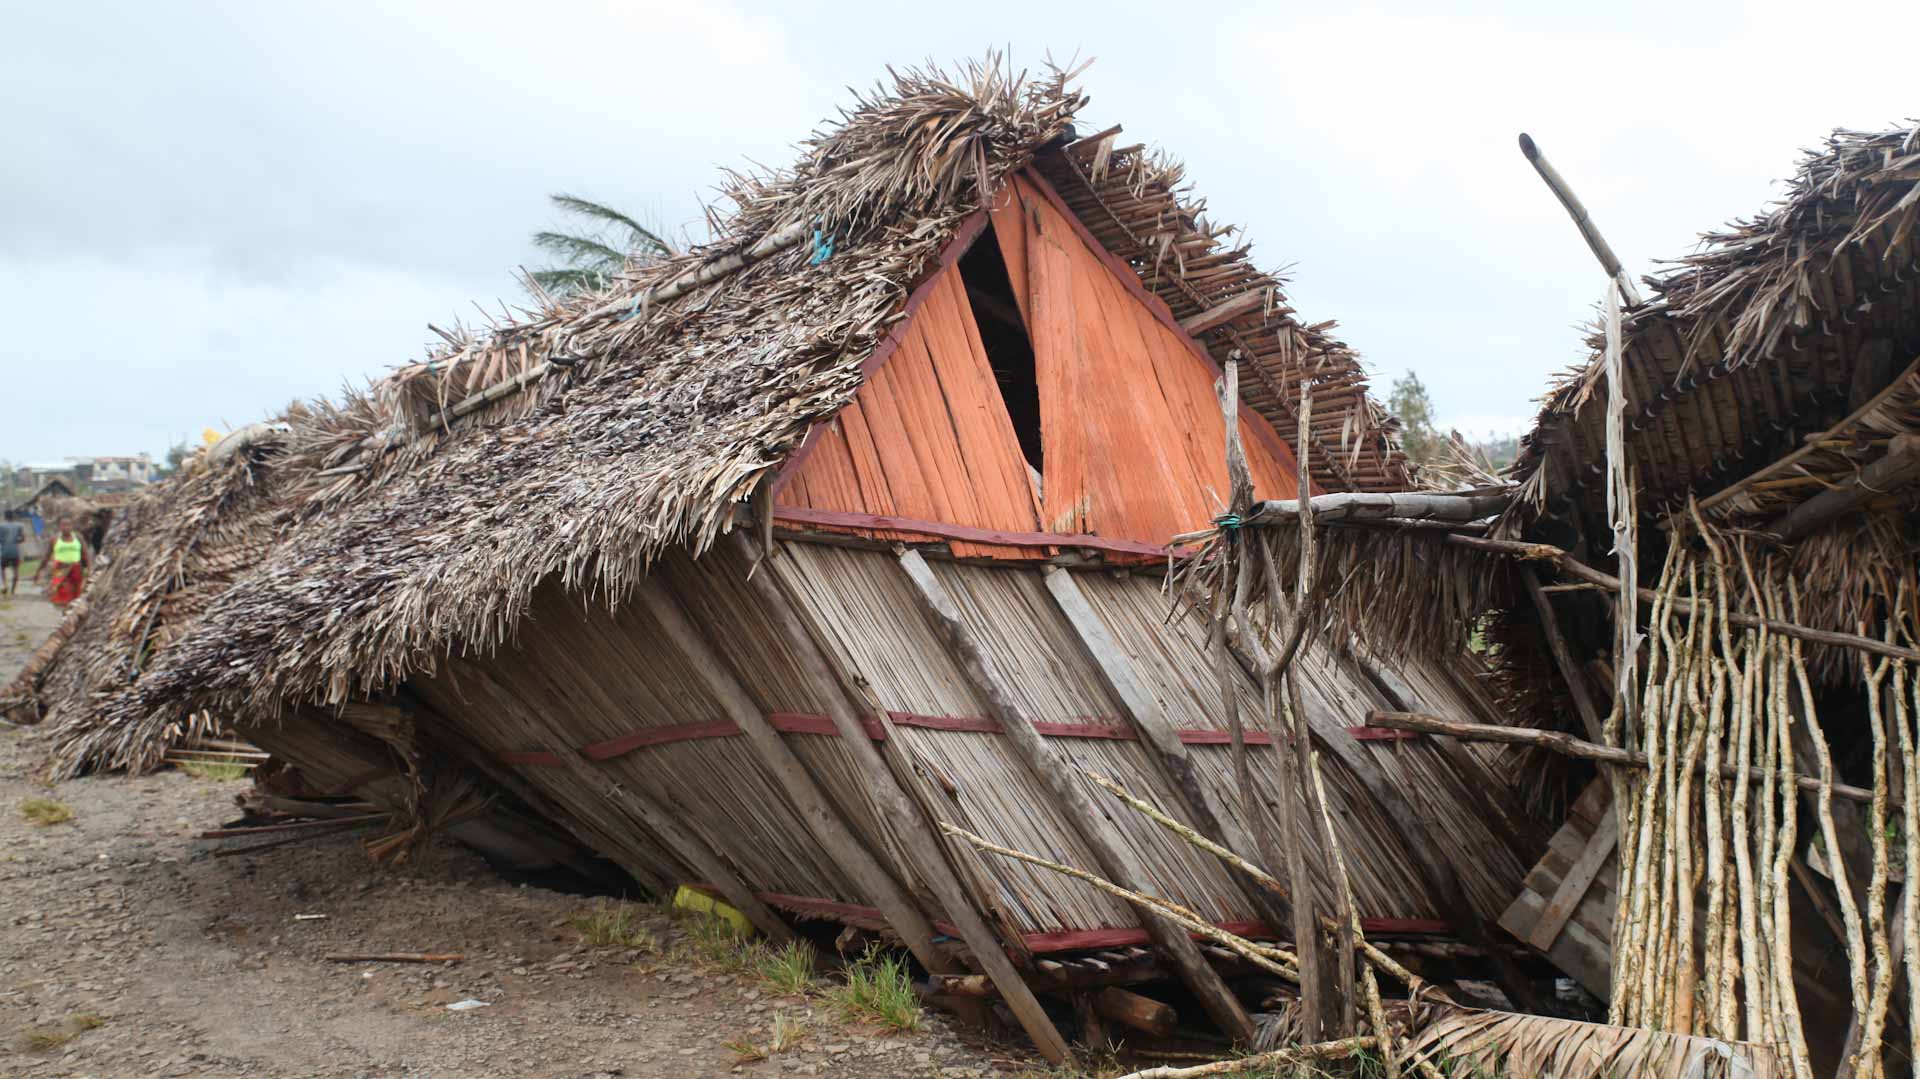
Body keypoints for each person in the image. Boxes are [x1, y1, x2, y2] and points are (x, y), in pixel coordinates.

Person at [34, 515, 89, 608]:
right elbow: (46, 556)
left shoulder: (78, 538)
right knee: (62, 595)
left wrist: (88, 569)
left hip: (76, 570)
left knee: (76, 596)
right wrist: (38, 571)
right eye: (63, 525)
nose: (66, 527)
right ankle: (63, 615)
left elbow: (84, 554)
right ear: (59, 526)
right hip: (60, 570)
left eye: (68, 525)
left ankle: (70, 617)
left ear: (72, 526)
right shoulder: (54, 539)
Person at [0, 512, 23, 595]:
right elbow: (22, 539)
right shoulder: (19, 526)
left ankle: (5, 585)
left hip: (4, 551)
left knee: (2, 569)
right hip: (15, 551)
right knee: (16, 571)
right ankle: (13, 590)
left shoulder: (1, 526)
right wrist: (16, 541)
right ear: (13, 517)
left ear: (5, 517)